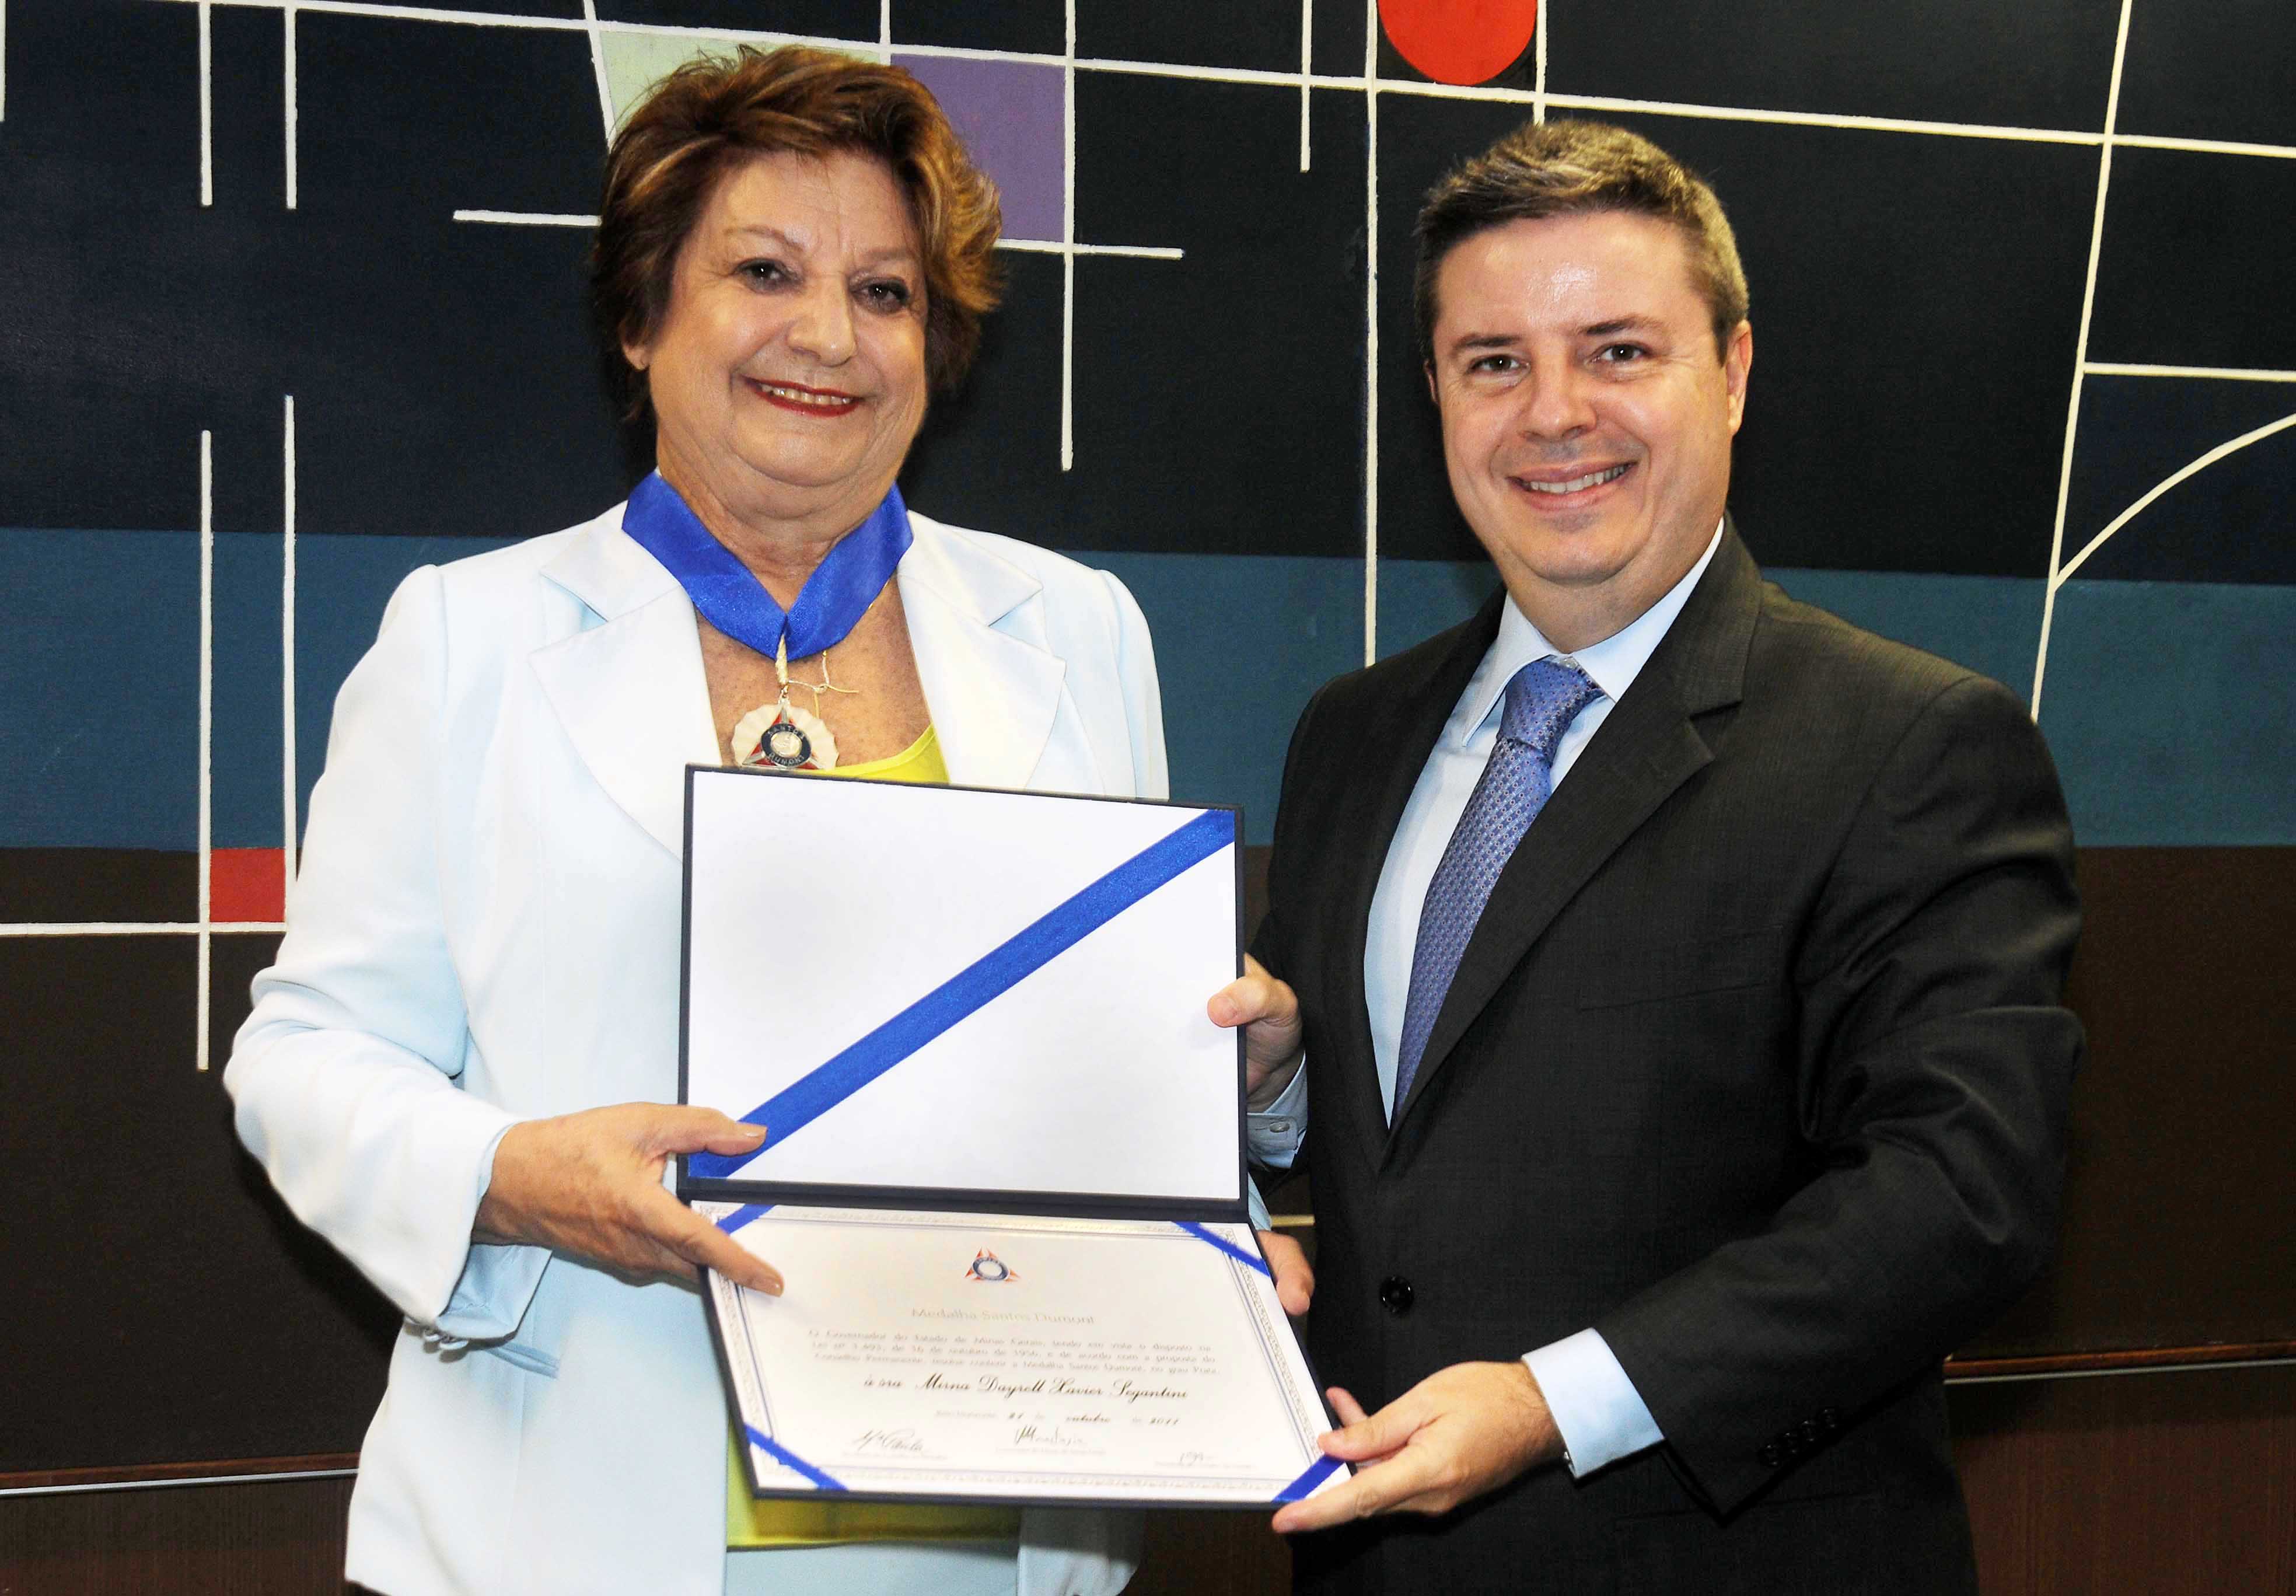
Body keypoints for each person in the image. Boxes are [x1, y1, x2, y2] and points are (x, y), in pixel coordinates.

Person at [228, 46, 1156, 1596]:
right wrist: (513, 1174)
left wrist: (1236, 1086)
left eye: (884, 291)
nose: (828, 335)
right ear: (643, 316)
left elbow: (1111, 1068)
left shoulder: (1077, 632)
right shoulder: (466, 638)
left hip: (987, 1526)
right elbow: (304, 1058)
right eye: (765, 272)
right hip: (573, 1526)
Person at [1208, 120, 2082, 1592]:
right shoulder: (1351, 734)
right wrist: (1280, 1085)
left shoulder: (1915, 744)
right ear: (1436, 393)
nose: (1555, 414)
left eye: (1617, 351)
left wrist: (1555, 1402)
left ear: (1731, 374)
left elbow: (1959, 1195)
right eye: (1495, 362)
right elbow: (1404, 1169)